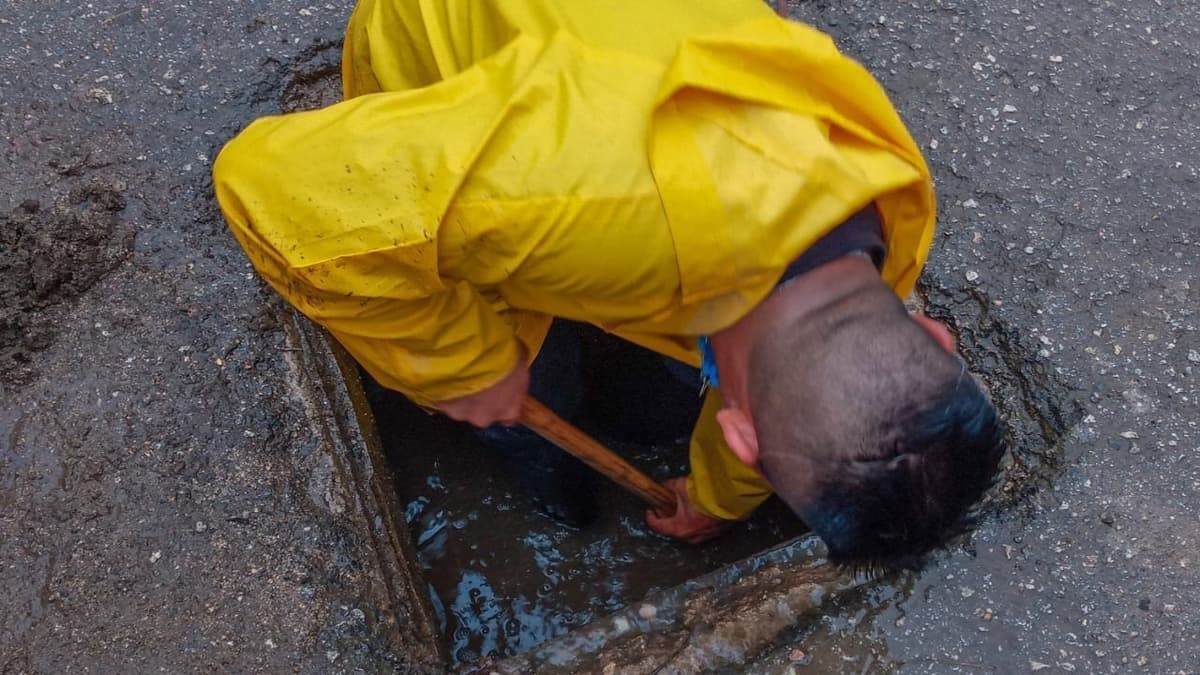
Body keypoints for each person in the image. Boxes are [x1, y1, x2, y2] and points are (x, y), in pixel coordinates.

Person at [213, 0, 1006, 567]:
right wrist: (464, 364)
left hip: (616, 100)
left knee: (654, 395)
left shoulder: (883, 200)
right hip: (445, 75)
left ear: (934, 336)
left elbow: (771, 415)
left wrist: (711, 496)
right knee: (534, 393)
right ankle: (555, 485)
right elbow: (269, 187)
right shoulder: (542, 200)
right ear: (935, 335)